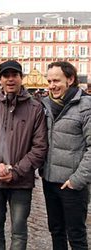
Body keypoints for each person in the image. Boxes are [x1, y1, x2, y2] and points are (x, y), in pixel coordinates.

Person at [0, 60, 48, 250]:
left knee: (19, 232)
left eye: (14, 75)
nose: (10, 79)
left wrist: (15, 171)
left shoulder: (35, 108)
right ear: (0, 80)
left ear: (21, 78)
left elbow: (39, 147)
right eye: (6, 75)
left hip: (22, 182)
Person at [41, 61, 91, 249]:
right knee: (56, 232)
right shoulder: (46, 104)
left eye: (56, 80)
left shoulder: (86, 106)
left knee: (76, 236)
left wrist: (77, 180)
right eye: (49, 81)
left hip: (72, 184)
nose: (52, 85)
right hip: (49, 181)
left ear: (70, 79)